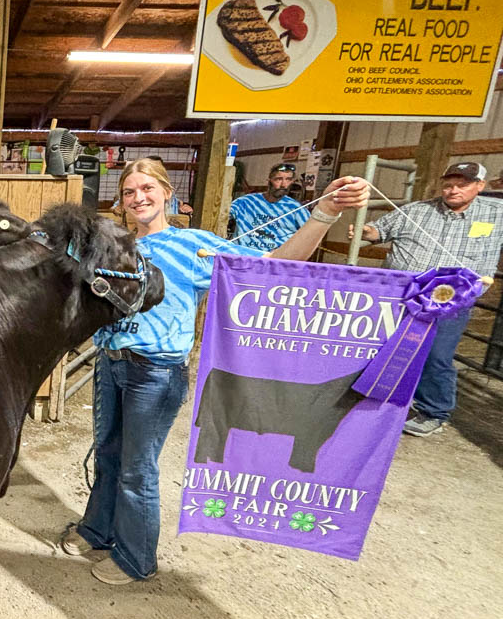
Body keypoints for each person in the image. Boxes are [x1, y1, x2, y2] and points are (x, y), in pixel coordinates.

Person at [61, 158, 368, 585]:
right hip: (111, 364)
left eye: (147, 189)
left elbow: (274, 262)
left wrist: (325, 213)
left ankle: (135, 558)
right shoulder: (113, 245)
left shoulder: (194, 246)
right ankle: (98, 530)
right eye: (130, 192)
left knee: (137, 469)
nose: (138, 198)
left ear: (167, 193)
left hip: (154, 374)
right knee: (108, 454)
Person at [353, 160, 503, 437]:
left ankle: (434, 411)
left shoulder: (498, 214)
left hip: (453, 302)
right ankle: (372, 400)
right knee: (381, 346)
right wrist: (364, 231)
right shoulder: (416, 210)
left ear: (480, 186)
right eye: (448, 184)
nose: (453, 190)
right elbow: (377, 231)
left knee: (437, 356)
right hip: (403, 297)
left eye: (462, 185)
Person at [228, 163, 308, 251]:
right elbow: (222, 216)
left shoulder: (296, 209)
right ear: (269, 181)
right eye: (278, 179)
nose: (283, 184)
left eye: (288, 179)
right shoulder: (246, 202)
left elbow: (310, 233)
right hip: (241, 255)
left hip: (273, 258)